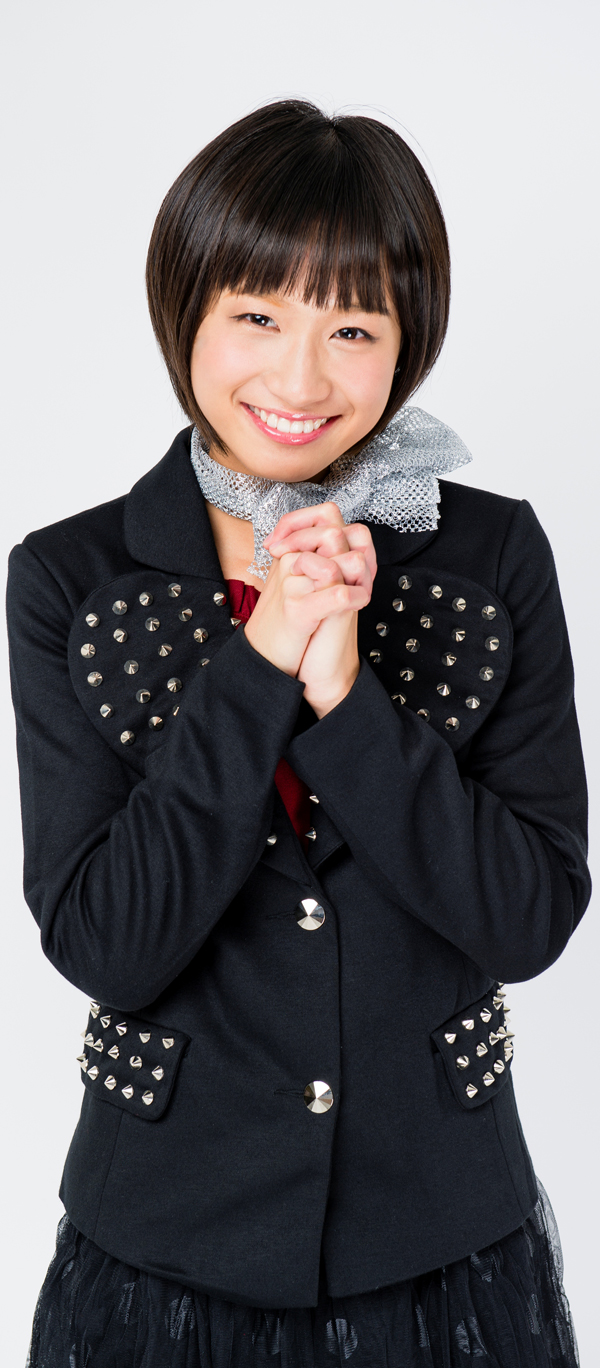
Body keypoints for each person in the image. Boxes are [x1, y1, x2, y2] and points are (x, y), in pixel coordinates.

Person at [7, 99, 588, 1368]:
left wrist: (351, 703)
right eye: (259, 317)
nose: (302, 379)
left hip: (440, 1237)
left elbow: (530, 917)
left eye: (354, 328)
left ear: (407, 345)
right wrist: (264, 659)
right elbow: (107, 941)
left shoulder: (492, 555)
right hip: (164, 1246)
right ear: (187, 313)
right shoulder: (67, 576)